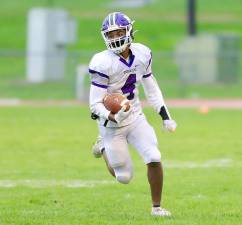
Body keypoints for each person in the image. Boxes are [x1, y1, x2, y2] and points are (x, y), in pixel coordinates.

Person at [88, 12, 177, 217]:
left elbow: (151, 88)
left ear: (129, 31)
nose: (115, 38)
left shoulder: (143, 53)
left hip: (135, 116)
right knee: (124, 177)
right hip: (111, 124)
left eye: (118, 32)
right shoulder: (101, 62)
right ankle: (102, 146)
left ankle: (157, 208)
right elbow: (94, 104)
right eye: (110, 35)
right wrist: (112, 116)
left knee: (154, 156)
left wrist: (165, 116)